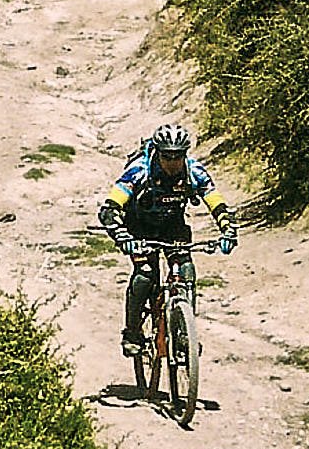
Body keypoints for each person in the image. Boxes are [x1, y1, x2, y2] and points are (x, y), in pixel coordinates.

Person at [98, 123, 238, 357]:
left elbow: (217, 204)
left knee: (186, 270)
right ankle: (132, 333)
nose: (173, 162)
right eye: (167, 156)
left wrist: (228, 229)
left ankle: (185, 332)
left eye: (178, 156)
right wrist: (122, 236)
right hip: (138, 227)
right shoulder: (139, 171)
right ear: (158, 153)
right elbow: (110, 208)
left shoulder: (194, 172)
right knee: (145, 276)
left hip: (172, 226)